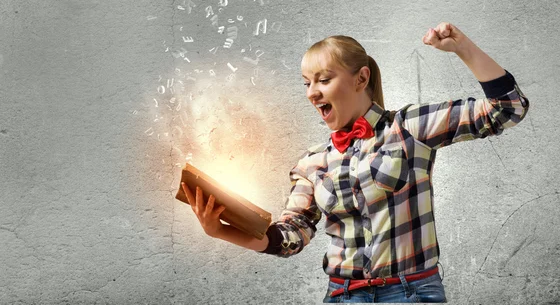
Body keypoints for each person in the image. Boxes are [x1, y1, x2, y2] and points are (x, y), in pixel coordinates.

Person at [180, 22, 530, 303]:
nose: (311, 92)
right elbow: (291, 236)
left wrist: (462, 48)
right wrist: (222, 231)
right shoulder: (313, 163)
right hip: (342, 295)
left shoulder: (409, 129)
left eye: (323, 79)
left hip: (411, 293)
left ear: (361, 78)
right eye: (306, 83)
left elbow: (507, 109)